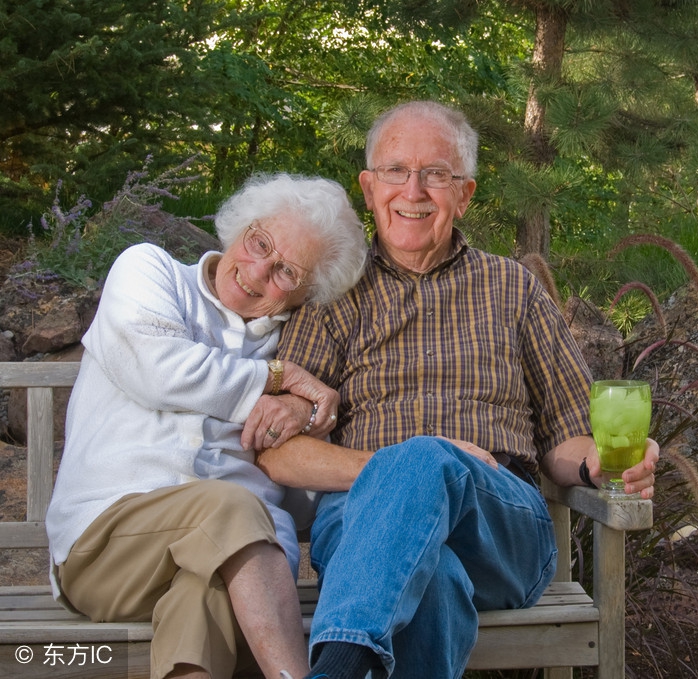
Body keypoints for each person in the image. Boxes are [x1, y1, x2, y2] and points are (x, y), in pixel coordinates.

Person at [256, 101, 659, 679]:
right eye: (395, 171)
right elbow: (276, 449)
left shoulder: (512, 288)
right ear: (369, 189)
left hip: (500, 523)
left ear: (464, 194)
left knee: (425, 462)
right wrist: (399, 469)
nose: (413, 190)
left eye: (435, 174)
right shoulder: (333, 297)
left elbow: (569, 437)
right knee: (434, 576)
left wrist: (602, 464)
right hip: (362, 521)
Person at [45, 173, 368, 679]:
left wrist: (309, 419)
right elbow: (158, 368)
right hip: (108, 548)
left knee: (205, 599)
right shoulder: (151, 272)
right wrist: (274, 378)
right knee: (231, 506)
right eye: (259, 242)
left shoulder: (297, 346)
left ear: (307, 294)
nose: (258, 271)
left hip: (233, 568)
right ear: (239, 226)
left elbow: (301, 504)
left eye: (287, 272)